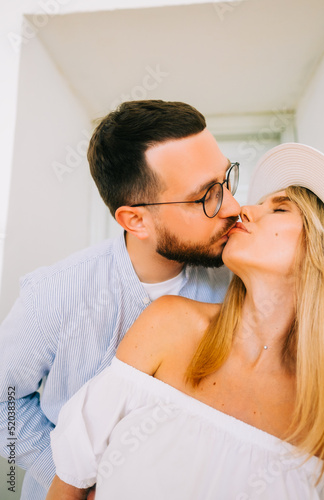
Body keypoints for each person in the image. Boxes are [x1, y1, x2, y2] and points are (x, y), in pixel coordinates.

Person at [47, 143, 324, 500]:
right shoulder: (169, 324)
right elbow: (69, 484)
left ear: (323, 245)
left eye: (279, 208)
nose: (242, 209)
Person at [0, 100, 240, 500]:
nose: (232, 206)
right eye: (206, 197)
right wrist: (67, 476)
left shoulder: (236, 283)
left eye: (227, 180)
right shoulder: (52, 294)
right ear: (135, 220)